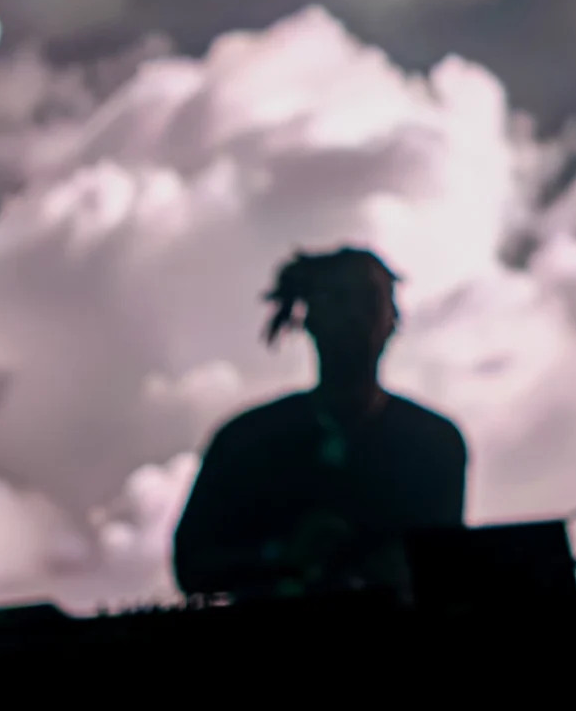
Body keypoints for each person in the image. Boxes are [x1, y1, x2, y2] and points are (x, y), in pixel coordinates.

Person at [171, 247, 468, 601]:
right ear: (308, 318)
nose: (354, 316)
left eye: (369, 299)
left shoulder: (436, 444)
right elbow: (191, 564)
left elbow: (447, 570)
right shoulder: (244, 442)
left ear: (393, 320)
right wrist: (280, 556)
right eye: (337, 298)